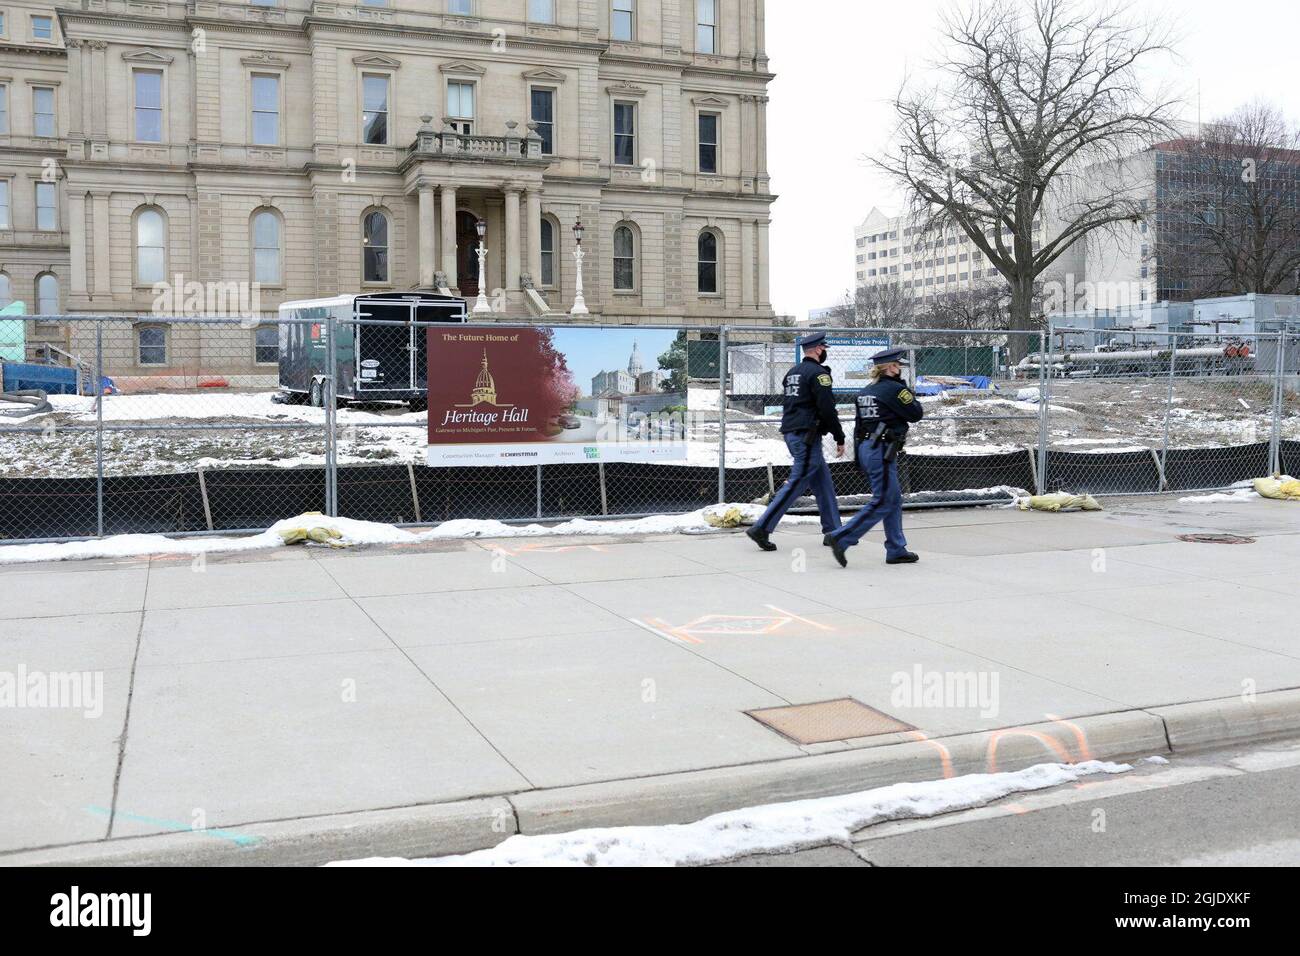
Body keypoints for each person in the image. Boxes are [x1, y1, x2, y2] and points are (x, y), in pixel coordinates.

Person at [745, 331, 845, 551]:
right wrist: (839, 436)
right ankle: (762, 527)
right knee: (797, 483)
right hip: (806, 436)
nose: (825, 352)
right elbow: (827, 408)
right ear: (819, 349)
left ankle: (834, 531)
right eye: (824, 349)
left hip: (794, 433)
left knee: (823, 484)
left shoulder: (792, 373)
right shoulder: (819, 374)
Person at [825, 348, 922, 567]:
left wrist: (859, 457)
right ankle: (841, 538)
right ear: (890, 367)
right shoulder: (895, 390)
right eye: (898, 365)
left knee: (893, 499)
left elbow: (859, 426)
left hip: (868, 448)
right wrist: (904, 389)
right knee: (883, 500)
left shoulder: (865, 391)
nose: (900, 369)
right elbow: (916, 413)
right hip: (882, 449)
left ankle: (896, 549)